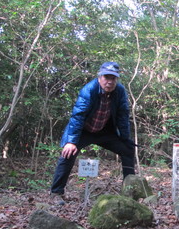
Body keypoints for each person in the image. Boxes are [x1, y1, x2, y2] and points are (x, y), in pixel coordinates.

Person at [50, 62, 135, 204]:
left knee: (128, 150)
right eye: (106, 77)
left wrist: (126, 139)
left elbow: (123, 116)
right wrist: (71, 141)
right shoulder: (89, 89)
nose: (109, 81)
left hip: (105, 131)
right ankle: (56, 192)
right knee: (67, 154)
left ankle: (130, 192)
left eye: (113, 78)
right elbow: (78, 115)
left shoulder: (119, 91)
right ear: (99, 77)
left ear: (117, 80)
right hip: (85, 131)